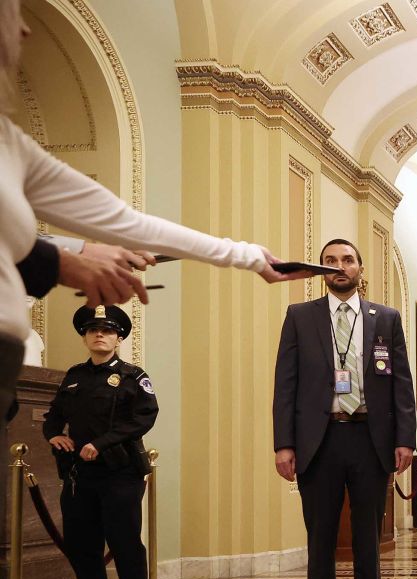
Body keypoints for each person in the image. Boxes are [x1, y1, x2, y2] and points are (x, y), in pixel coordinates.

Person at [0, 0, 303, 425]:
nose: (26, 31)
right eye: (11, 11)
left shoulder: (8, 140)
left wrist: (249, 256)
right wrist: (63, 262)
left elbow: (125, 223)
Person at [272, 238, 416, 579]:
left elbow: (401, 385)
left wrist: (404, 438)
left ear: (360, 268)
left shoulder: (385, 319)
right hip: (320, 440)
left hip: (370, 439)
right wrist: (284, 443)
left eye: (347, 260)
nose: (339, 266)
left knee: (368, 540)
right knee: (320, 540)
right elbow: (286, 384)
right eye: (330, 261)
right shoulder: (300, 317)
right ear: (321, 270)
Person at [42, 305, 157, 579]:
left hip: (120, 472)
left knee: (124, 542)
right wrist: (53, 436)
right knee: (82, 544)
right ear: (85, 336)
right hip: (80, 475)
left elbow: (144, 416)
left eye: (106, 330)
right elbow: (54, 416)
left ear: (118, 337)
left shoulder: (134, 376)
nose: (99, 335)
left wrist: (102, 442)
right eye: (93, 330)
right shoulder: (74, 376)